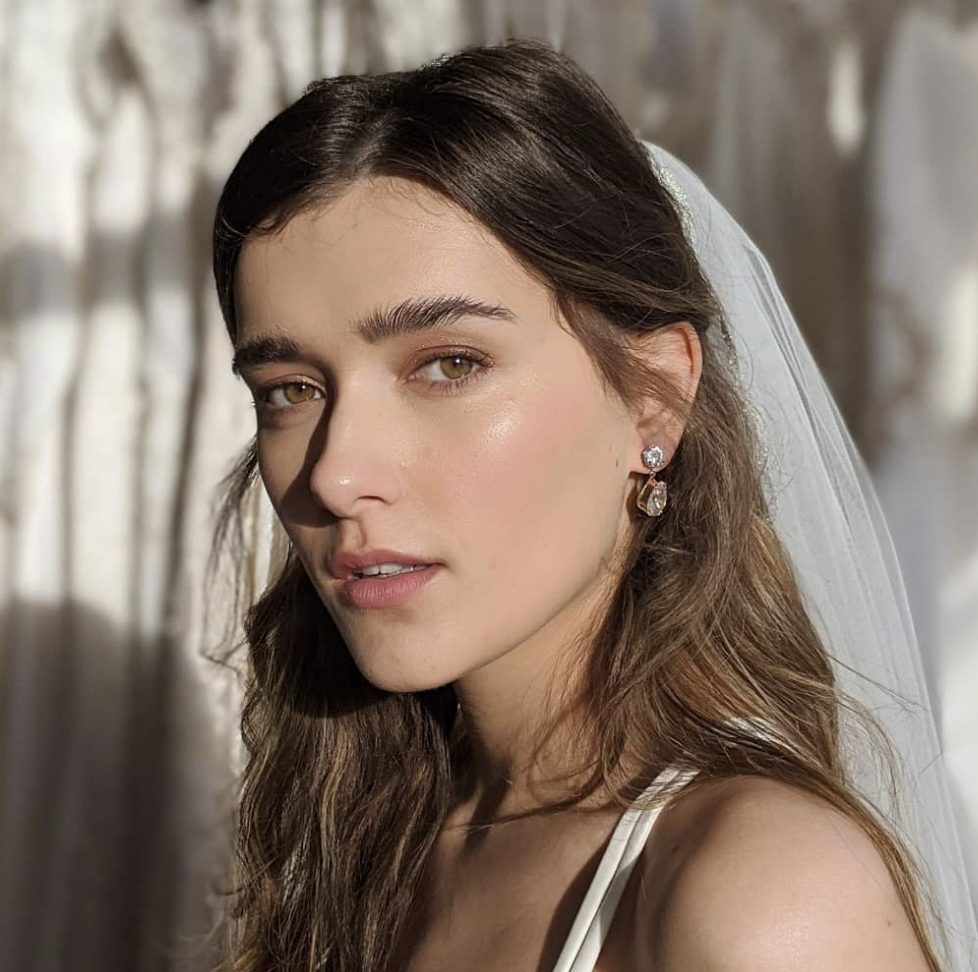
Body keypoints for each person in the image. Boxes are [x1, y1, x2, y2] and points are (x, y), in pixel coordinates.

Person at [208, 39, 975, 972]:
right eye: (289, 389)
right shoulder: (359, 850)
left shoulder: (758, 892)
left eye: (449, 365)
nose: (333, 475)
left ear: (655, 395)